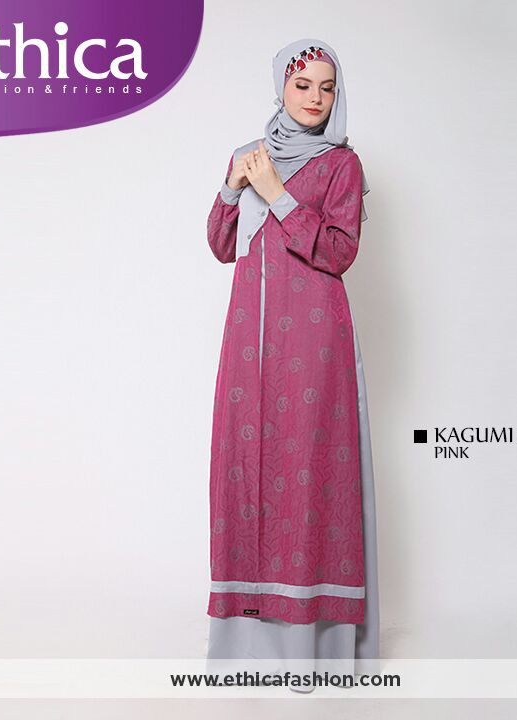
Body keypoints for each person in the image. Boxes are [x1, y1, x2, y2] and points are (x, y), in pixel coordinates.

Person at [204, 39, 380, 689]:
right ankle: (247, 642)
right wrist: (232, 187)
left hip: (313, 343)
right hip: (247, 345)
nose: (315, 98)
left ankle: (312, 645)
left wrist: (277, 193)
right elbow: (221, 245)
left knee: (308, 470)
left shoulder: (342, 164)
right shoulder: (250, 154)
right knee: (244, 468)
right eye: (303, 84)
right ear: (281, 86)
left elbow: (338, 252)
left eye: (327, 87)